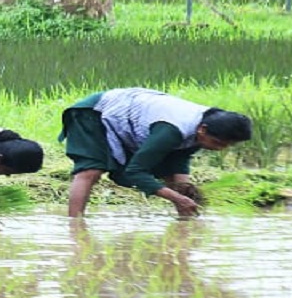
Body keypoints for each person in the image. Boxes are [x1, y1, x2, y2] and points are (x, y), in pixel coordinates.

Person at [59, 87, 253, 218]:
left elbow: (178, 159)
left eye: (227, 146)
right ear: (202, 130)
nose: (220, 149)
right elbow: (135, 171)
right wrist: (176, 197)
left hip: (131, 122)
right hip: (94, 112)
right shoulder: (171, 129)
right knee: (91, 170)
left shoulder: (202, 128)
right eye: (218, 143)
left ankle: (186, 222)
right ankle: (75, 226)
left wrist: (185, 190)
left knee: (178, 185)